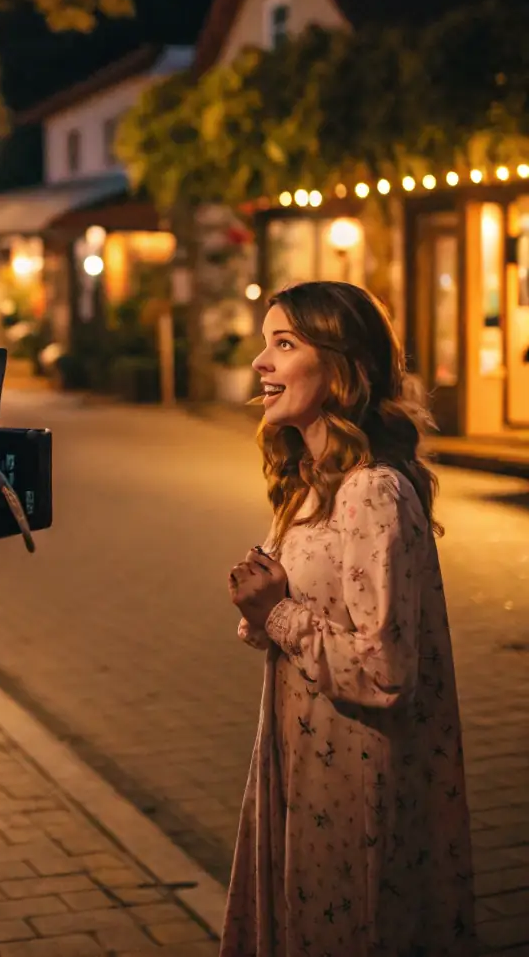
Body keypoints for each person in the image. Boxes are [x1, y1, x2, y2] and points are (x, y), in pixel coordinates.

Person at [221, 281, 474, 957]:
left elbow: (385, 671)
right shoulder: (313, 480)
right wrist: (262, 608)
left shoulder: (371, 491)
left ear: (339, 366)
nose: (260, 363)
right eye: (265, 343)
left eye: (284, 344)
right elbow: (301, 621)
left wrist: (277, 612)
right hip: (305, 754)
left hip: (355, 775)